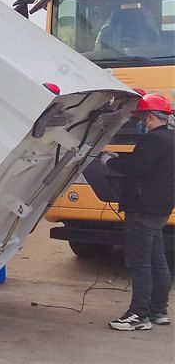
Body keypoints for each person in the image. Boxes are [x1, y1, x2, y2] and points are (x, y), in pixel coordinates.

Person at [99, 93, 174, 331]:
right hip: (160, 209)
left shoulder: (154, 140)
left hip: (142, 210)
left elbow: (137, 168)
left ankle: (138, 315)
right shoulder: (171, 139)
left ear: (151, 117)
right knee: (157, 260)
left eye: (142, 118)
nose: (141, 123)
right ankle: (158, 310)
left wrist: (108, 161)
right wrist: (123, 158)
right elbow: (149, 165)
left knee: (140, 263)